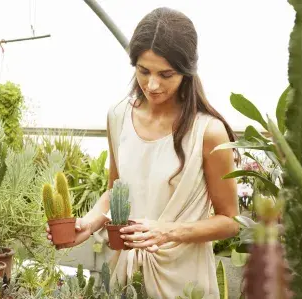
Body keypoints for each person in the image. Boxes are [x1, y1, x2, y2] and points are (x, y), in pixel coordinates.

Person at [47, 7, 240, 298]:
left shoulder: (208, 132)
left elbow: (230, 221)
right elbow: (115, 191)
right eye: (143, 70)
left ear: (187, 71)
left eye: (166, 74)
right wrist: (88, 223)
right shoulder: (118, 116)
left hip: (184, 282)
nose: (152, 85)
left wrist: (166, 231)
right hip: (127, 279)